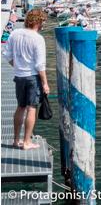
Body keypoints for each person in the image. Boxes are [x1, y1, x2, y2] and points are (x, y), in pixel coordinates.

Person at [3, 9, 50, 150]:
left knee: (20, 107)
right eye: (43, 21)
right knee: (31, 108)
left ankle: (16, 140)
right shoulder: (38, 38)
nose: (43, 24)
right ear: (38, 21)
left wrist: (17, 66)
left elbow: (6, 55)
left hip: (19, 76)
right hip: (33, 77)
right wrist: (45, 83)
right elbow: (40, 65)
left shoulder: (14, 34)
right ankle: (27, 142)